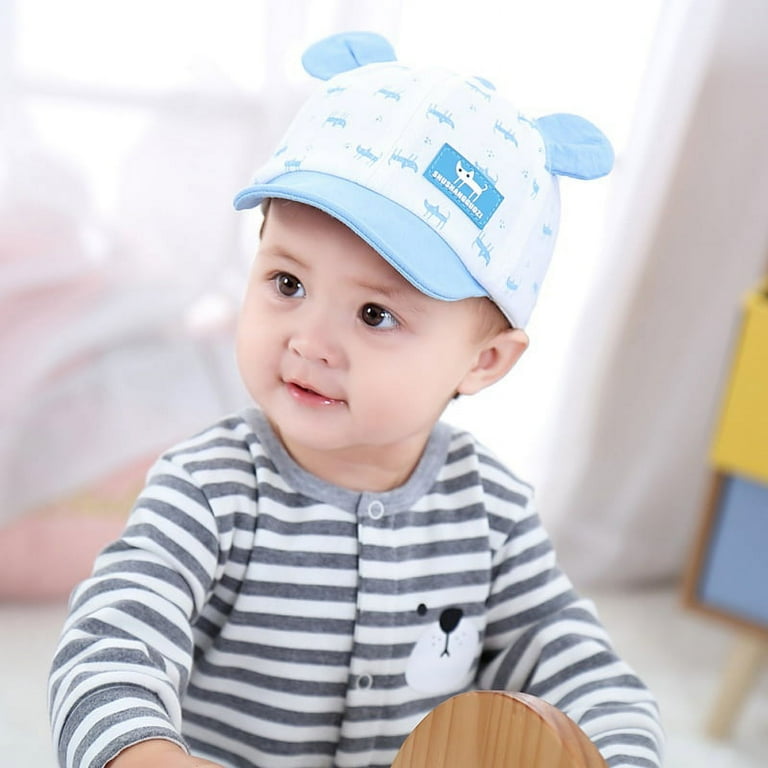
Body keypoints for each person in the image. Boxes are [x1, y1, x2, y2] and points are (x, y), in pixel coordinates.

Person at [48, 31, 663, 768]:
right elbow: (111, 642)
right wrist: (144, 754)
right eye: (287, 283)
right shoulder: (210, 489)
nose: (309, 341)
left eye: (375, 314)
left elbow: (584, 673)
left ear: (484, 361)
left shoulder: (490, 513)